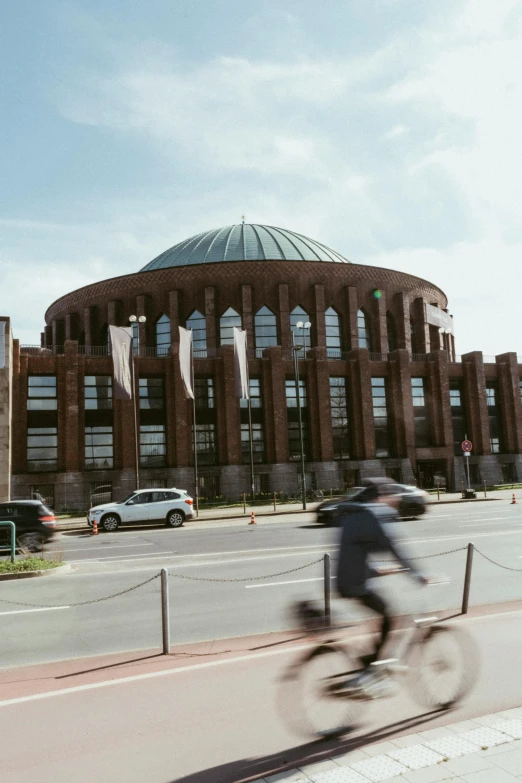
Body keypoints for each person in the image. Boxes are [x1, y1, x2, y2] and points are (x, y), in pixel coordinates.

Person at [336, 477, 429, 695]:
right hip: (355, 583)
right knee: (390, 617)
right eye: (391, 494)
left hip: (348, 579)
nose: (395, 499)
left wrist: (377, 570)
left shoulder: (355, 514)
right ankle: (370, 673)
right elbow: (395, 549)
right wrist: (418, 575)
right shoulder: (374, 516)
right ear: (381, 497)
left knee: (380, 614)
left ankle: (370, 661)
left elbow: (355, 552)